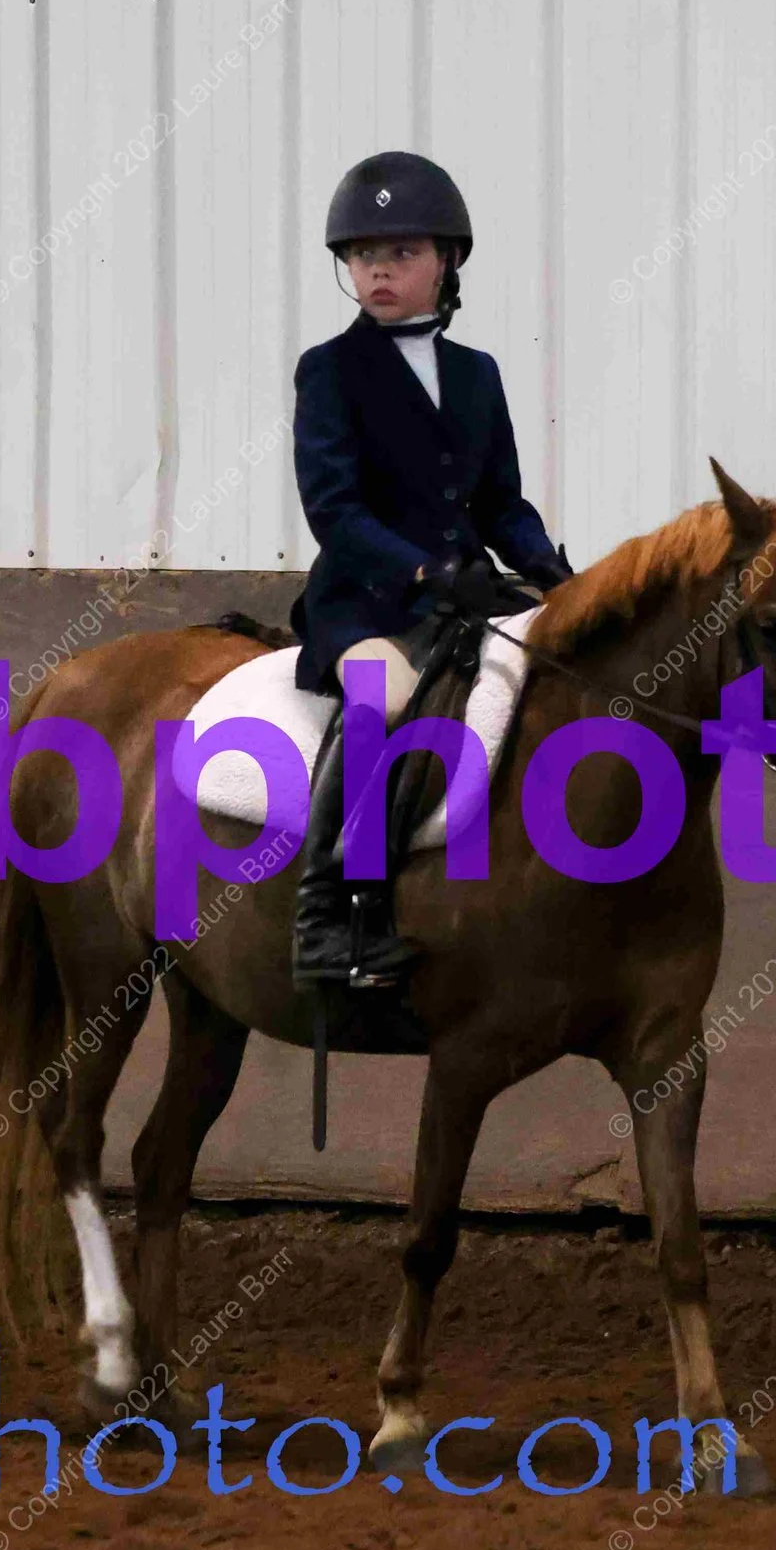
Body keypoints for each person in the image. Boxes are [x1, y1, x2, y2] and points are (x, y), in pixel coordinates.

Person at [287, 150, 572, 990]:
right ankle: (327, 916)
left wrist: (553, 572)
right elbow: (335, 512)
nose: (378, 269)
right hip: (366, 603)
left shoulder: (477, 375)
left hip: (466, 601)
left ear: (445, 261)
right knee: (384, 698)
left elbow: (502, 504)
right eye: (362, 255)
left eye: (401, 253)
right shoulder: (330, 371)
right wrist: (425, 572)